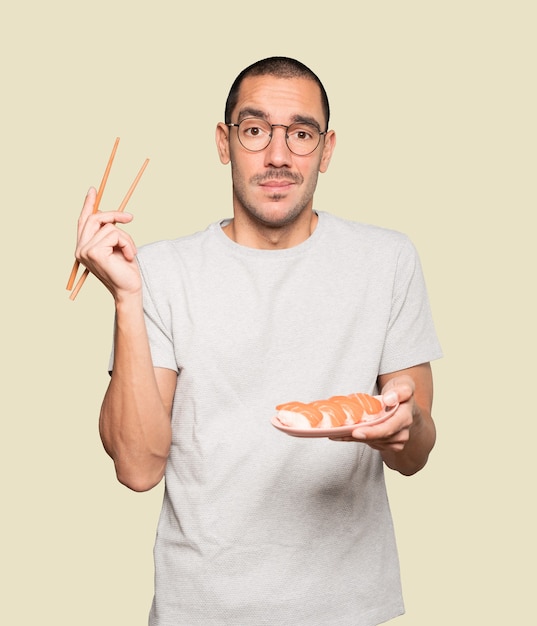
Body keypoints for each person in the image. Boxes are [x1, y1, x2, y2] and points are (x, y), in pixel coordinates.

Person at [75, 56, 443, 626]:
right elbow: (137, 468)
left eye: (301, 134)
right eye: (254, 131)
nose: (278, 156)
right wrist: (126, 297)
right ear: (224, 143)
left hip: (348, 610)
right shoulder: (162, 271)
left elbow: (416, 453)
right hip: (200, 611)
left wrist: (402, 424)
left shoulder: (387, 260)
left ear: (327, 148)